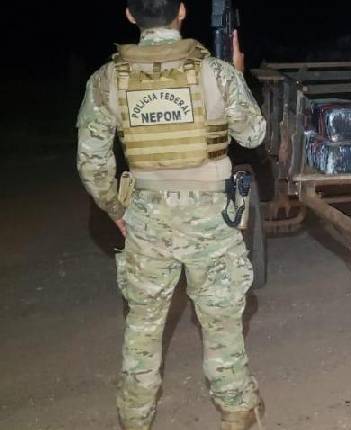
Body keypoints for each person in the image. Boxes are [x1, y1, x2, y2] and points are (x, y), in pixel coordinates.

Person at [75, 1, 266, 429]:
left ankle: (135, 418)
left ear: (128, 14)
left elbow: (92, 161)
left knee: (143, 328)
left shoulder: (108, 79)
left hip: (147, 222)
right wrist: (235, 72)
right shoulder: (215, 73)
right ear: (181, 11)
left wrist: (115, 208)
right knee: (221, 324)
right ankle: (237, 414)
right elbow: (253, 133)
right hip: (211, 223)